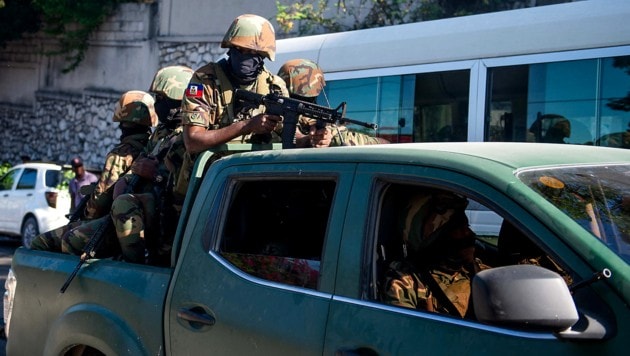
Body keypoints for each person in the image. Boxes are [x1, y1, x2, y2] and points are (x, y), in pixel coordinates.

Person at [175, 14, 288, 201]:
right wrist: (247, 126)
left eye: (252, 53)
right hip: (207, 185)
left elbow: (290, 138)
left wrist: (313, 139)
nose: (244, 57)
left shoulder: (274, 86)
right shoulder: (205, 81)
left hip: (257, 184)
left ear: (263, 56)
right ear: (230, 49)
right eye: (239, 50)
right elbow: (193, 141)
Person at [30, 90, 158, 252]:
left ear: (122, 121)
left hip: (113, 225)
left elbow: (100, 199)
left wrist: (82, 219)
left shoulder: (121, 153)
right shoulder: (153, 148)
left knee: (40, 243)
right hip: (139, 225)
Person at [382, 189, 489, 318]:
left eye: (467, 226)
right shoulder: (406, 282)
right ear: (436, 239)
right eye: (459, 229)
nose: (470, 234)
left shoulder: (475, 271)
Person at [276, 58, 389, 147]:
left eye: (311, 98)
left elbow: (382, 144)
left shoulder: (314, 121)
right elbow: (292, 138)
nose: (307, 102)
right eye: (300, 98)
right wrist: (309, 140)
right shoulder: (273, 117)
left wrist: (328, 136)